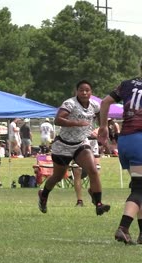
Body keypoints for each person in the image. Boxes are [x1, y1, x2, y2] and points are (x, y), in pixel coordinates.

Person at [37, 80, 110, 216]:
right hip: (63, 145)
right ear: (76, 92)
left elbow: (101, 117)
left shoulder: (95, 105)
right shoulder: (70, 103)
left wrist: (102, 128)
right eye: (81, 90)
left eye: (87, 90)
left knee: (93, 170)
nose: (84, 93)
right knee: (58, 177)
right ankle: (43, 194)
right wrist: (76, 123)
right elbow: (58, 120)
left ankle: (99, 204)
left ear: (91, 92)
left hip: (81, 144)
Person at [98, 60, 142, 245]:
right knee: (140, 188)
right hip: (140, 139)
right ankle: (123, 228)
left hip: (125, 140)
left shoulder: (126, 84)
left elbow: (105, 102)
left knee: (140, 187)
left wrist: (103, 127)